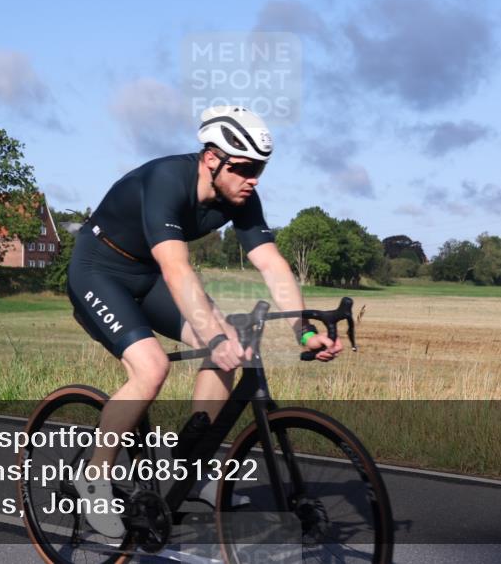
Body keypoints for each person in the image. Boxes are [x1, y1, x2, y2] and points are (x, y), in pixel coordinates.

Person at [66, 105, 342, 537]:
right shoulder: (165, 181)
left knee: (231, 342)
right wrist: (212, 335)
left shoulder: (241, 195)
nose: (253, 180)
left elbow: (271, 264)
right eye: (246, 168)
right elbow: (177, 270)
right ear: (212, 158)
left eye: (261, 171)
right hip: (99, 271)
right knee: (152, 367)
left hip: (147, 275)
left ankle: (191, 468)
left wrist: (303, 330)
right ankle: (93, 477)